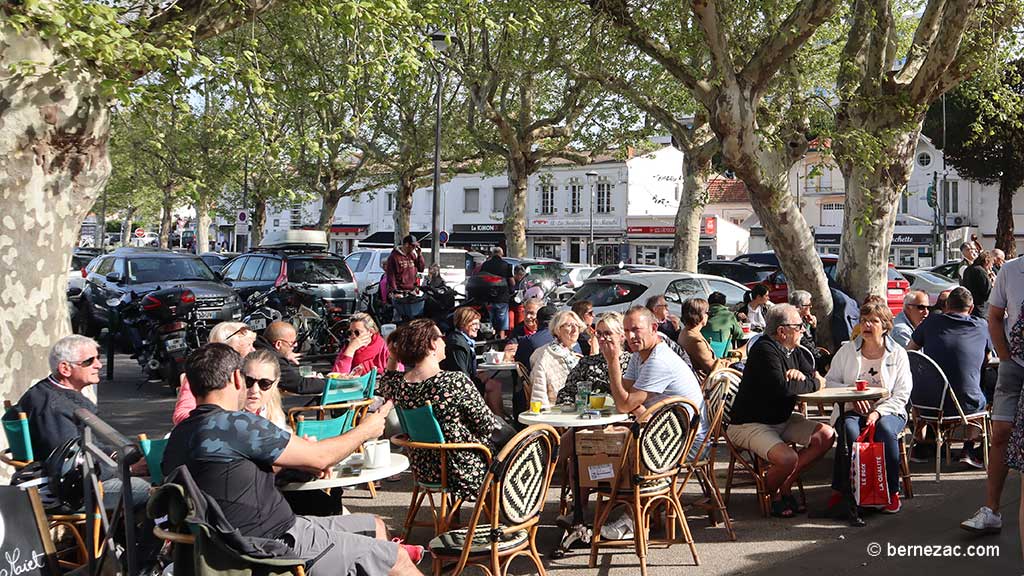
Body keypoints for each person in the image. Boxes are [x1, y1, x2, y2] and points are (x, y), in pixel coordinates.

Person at [162, 344, 422, 575]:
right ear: (235, 379)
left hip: (236, 545)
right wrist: (367, 428)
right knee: (397, 559)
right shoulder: (238, 424)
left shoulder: (180, 436)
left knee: (374, 526)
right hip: (273, 546)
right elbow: (321, 458)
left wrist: (292, 464)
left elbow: (226, 477)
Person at [4, 335, 152, 510]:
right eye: (90, 361)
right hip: (67, 493)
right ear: (65, 368)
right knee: (150, 490)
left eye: (98, 358)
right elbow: (71, 467)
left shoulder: (49, 394)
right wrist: (128, 469)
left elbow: (89, 446)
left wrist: (119, 456)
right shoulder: (54, 408)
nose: (99, 365)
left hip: (73, 482)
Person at [727, 305, 834, 519]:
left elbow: (815, 375)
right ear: (782, 331)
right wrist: (811, 382)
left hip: (781, 418)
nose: (803, 330)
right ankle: (769, 491)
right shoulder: (764, 350)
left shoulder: (794, 349)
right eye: (799, 326)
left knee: (826, 435)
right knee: (787, 459)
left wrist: (805, 379)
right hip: (750, 423)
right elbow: (784, 388)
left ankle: (785, 482)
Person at [377, 319, 498, 501]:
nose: (444, 341)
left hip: (424, 469)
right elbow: (486, 425)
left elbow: (386, 381)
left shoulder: (399, 385)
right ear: (432, 344)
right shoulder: (454, 381)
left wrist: (393, 356)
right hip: (463, 469)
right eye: (441, 337)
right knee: (515, 449)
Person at [825, 301, 912, 523]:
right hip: (851, 408)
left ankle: (891, 492)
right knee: (849, 432)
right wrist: (853, 396)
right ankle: (846, 492)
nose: (867, 325)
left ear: (885, 325)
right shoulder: (847, 350)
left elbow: (902, 394)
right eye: (863, 320)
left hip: (889, 410)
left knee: (883, 430)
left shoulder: (898, 354)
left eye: (873, 321)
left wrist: (878, 412)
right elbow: (830, 382)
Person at [962, 253, 1024, 534]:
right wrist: (1005, 356)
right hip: (1015, 364)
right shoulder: (1011, 270)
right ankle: (991, 510)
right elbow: (995, 316)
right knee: (1000, 431)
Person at [908, 287, 991, 467]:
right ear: (970, 309)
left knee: (918, 391)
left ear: (946, 306)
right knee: (982, 395)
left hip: (929, 404)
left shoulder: (930, 323)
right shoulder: (981, 326)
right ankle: (968, 448)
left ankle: (920, 444)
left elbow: (909, 352)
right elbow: (988, 359)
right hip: (965, 405)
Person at [173, 321, 259, 425]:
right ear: (230, 350)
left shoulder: (253, 372)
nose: (253, 350)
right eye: (248, 345)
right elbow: (181, 415)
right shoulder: (201, 372)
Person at [441, 307, 505, 416]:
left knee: (492, 383)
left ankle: (496, 418)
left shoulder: (464, 341)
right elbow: (460, 374)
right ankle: (499, 421)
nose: (478, 328)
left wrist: (478, 375)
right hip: (460, 389)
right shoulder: (458, 344)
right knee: (494, 386)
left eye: (478, 324)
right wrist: (477, 379)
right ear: (463, 324)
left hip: (463, 383)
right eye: (474, 324)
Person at [556, 312, 633, 403]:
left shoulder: (632, 362)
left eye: (607, 333)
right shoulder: (587, 363)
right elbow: (565, 394)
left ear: (622, 336)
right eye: (599, 334)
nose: (601, 338)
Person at [529, 311, 586, 409]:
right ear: (557, 330)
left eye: (577, 325)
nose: (575, 330)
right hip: (559, 410)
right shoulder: (546, 356)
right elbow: (539, 393)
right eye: (569, 325)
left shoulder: (573, 353)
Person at [256, 321, 325, 395]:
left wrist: (284, 354)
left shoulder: (259, 347)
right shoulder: (272, 359)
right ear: (278, 344)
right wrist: (327, 382)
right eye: (292, 343)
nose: (296, 345)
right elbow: (300, 385)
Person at [515, 305, 570, 371]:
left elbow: (519, 364)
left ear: (536, 322)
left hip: (537, 379)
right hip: (569, 378)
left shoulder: (528, 341)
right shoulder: (570, 340)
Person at [385, 235, 426, 322]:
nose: (415, 248)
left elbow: (421, 268)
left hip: (412, 291)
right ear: (406, 244)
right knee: (399, 317)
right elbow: (390, 275)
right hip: (400, 292)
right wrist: (394, 291)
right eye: (413, 246)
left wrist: (420, 255)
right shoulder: (394, 257)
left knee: (413, 317)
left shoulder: (412, 256)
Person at [477, 246, 513, 340]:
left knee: (489, 320)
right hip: (502, 298)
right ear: (502, 254)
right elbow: (512, 282)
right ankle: (500, 340)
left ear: (492, 254)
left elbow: (480, 278)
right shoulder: (506, 265)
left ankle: (488, 340)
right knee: (501, 324)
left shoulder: (485, 265)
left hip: (488, 298)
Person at [677, 297, 716, 380]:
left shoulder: (685, 332)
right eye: (707, 312)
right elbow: (713, 368)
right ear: (699, 315)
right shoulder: (696, 341)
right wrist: (731, 361)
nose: (708, 315)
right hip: (705, 384)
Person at [962, 251, 994, 319]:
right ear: (987, 262)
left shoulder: (968, 269)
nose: (992, 266)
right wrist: (992, 283)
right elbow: (987, 292)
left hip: (970, 305)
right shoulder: (981, 271)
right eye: (992, 263)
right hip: (981, 309)